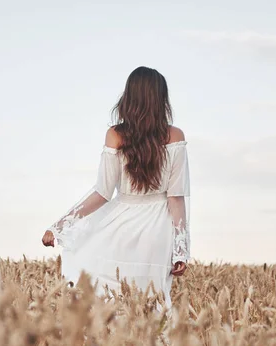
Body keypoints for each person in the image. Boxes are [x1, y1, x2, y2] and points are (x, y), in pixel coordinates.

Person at [41, 66, 190, 311]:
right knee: (153, 304)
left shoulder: (115, 135)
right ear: (161, 98)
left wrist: (61, 225)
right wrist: (180, 249)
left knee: (110, 299)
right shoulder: (175, 136)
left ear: (129, 97)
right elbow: (175, 197)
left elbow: (102, 193)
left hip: (121, 226)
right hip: (158, 230)